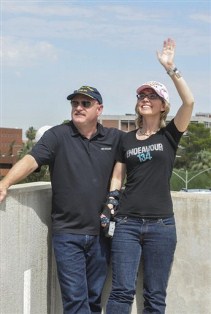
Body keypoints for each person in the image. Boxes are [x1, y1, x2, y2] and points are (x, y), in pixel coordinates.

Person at [0, 85, 124, 314]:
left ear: (99, 109)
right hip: (67, 234)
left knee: (94, 300)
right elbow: (31, 160)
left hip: (101, 235)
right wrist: (5, 183)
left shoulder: (114, 138)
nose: (78, 107)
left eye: (85, 103)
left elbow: (141, 152)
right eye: (74, 103)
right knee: (75, 301)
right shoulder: (58, 135)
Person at [101, 38, 194, 313]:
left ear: (163, 105)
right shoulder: (126, 140)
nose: (145, 99)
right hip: (127, 223)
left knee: (154, 296)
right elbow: (118, 176)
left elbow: (189, 101)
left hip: (161, 226)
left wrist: (171, 68)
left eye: (152, 96)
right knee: (121, 292)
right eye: (142, 95)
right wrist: (111, 202)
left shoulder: (170, 134)